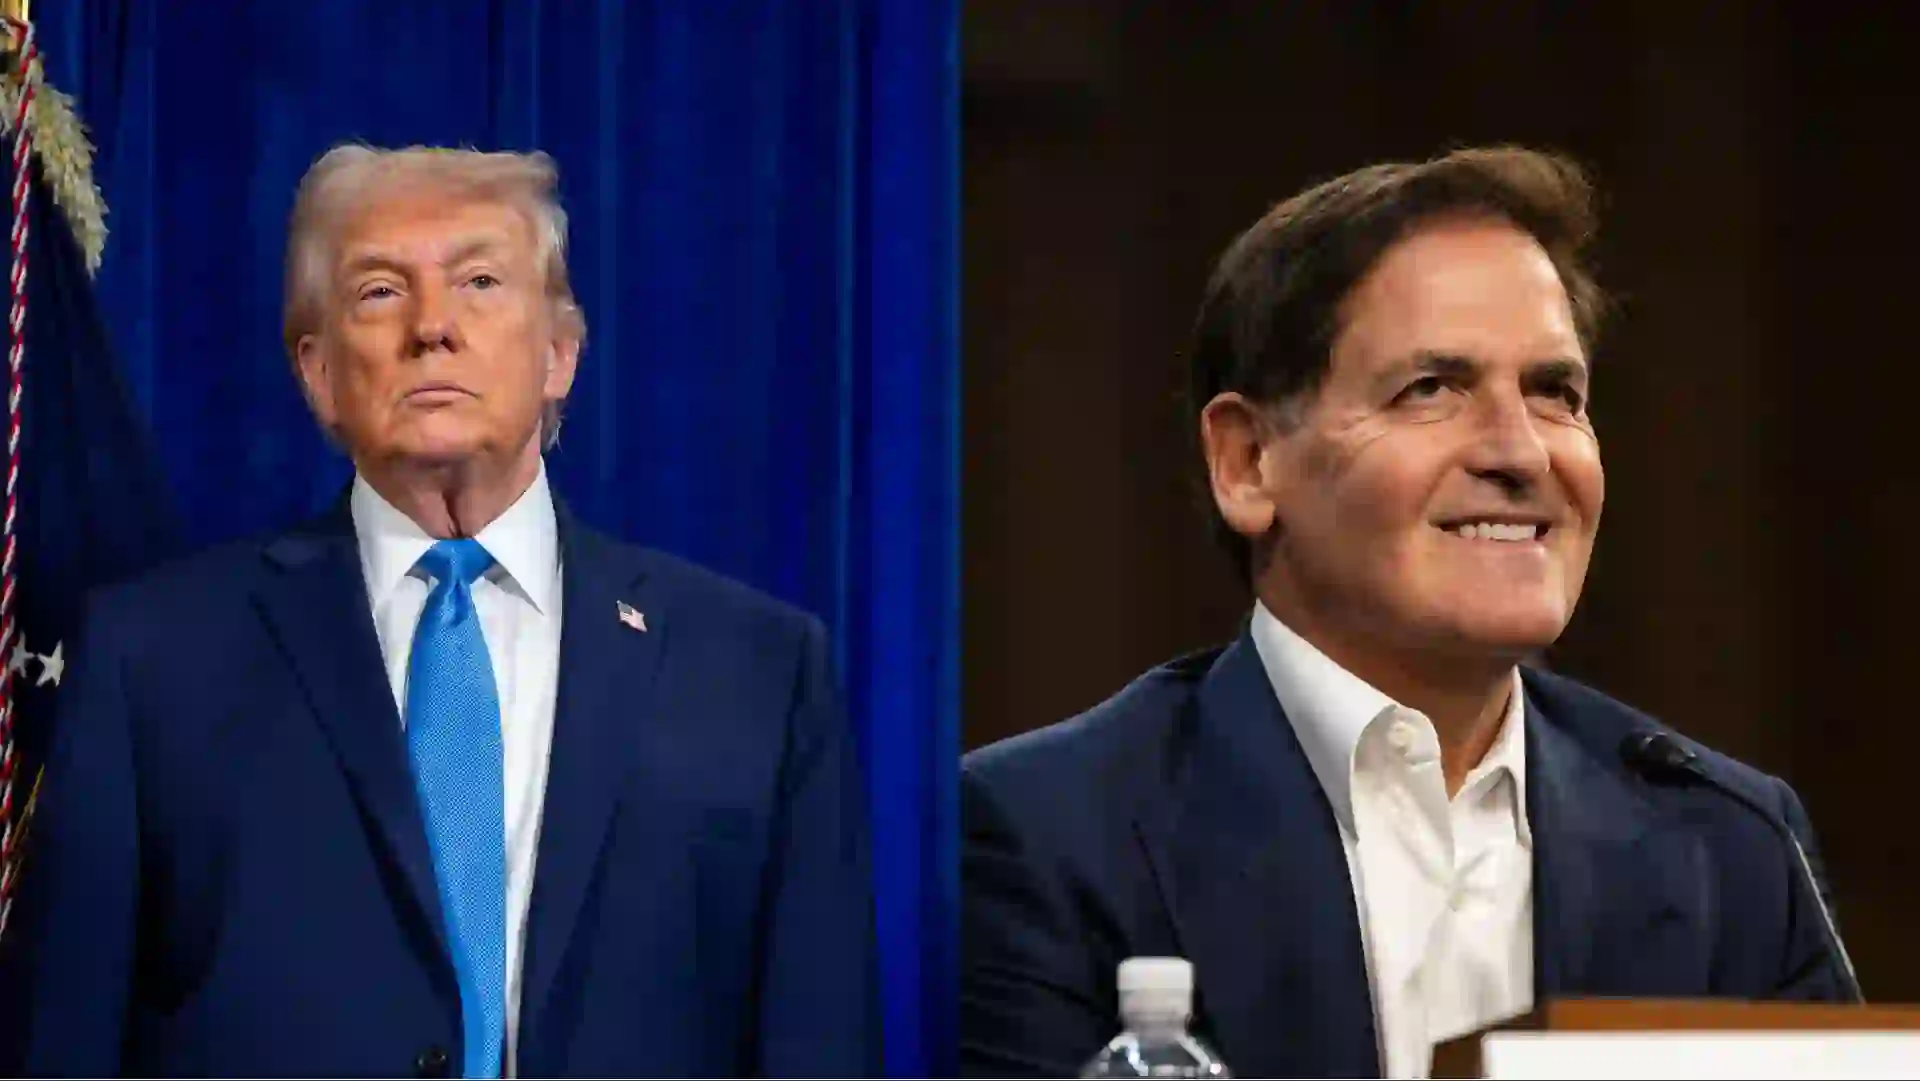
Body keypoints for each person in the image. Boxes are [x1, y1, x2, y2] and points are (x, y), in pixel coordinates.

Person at [960, 146, 1852, 1079]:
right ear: (1249, 462)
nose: (1522, 453)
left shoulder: (1735, 844)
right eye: (1432, 388)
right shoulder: (1049, 836)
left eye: (1557, 393)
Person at [0, 144, 879, 1077]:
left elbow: (818, 1043)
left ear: (558, 356)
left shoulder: (757, 671)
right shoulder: (155, 661)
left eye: (481, 281)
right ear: (318, 373)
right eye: (379, 291)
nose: (432, 328)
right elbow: (62, 1042)